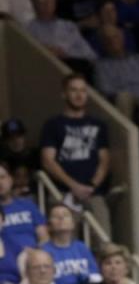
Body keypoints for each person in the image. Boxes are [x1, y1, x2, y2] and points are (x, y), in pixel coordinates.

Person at [40, 73, 112, 234]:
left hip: (94, 193)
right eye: (73, 90)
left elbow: (104, 160)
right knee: (65, 240)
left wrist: (91, 186)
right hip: (62, 194)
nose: (79, 95)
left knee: (104, 239)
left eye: (83, 90)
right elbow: (48, 160)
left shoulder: (98, 124)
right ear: (64, 93)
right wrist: (74, 186)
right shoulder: (53, 125)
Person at [41, 202, 101, 284]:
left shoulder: (82, 248)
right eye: (56, 216)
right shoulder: (43, 251)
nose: (61, 218)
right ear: (49, 226)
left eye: (65, 215)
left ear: (73, 223)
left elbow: (95, 276)